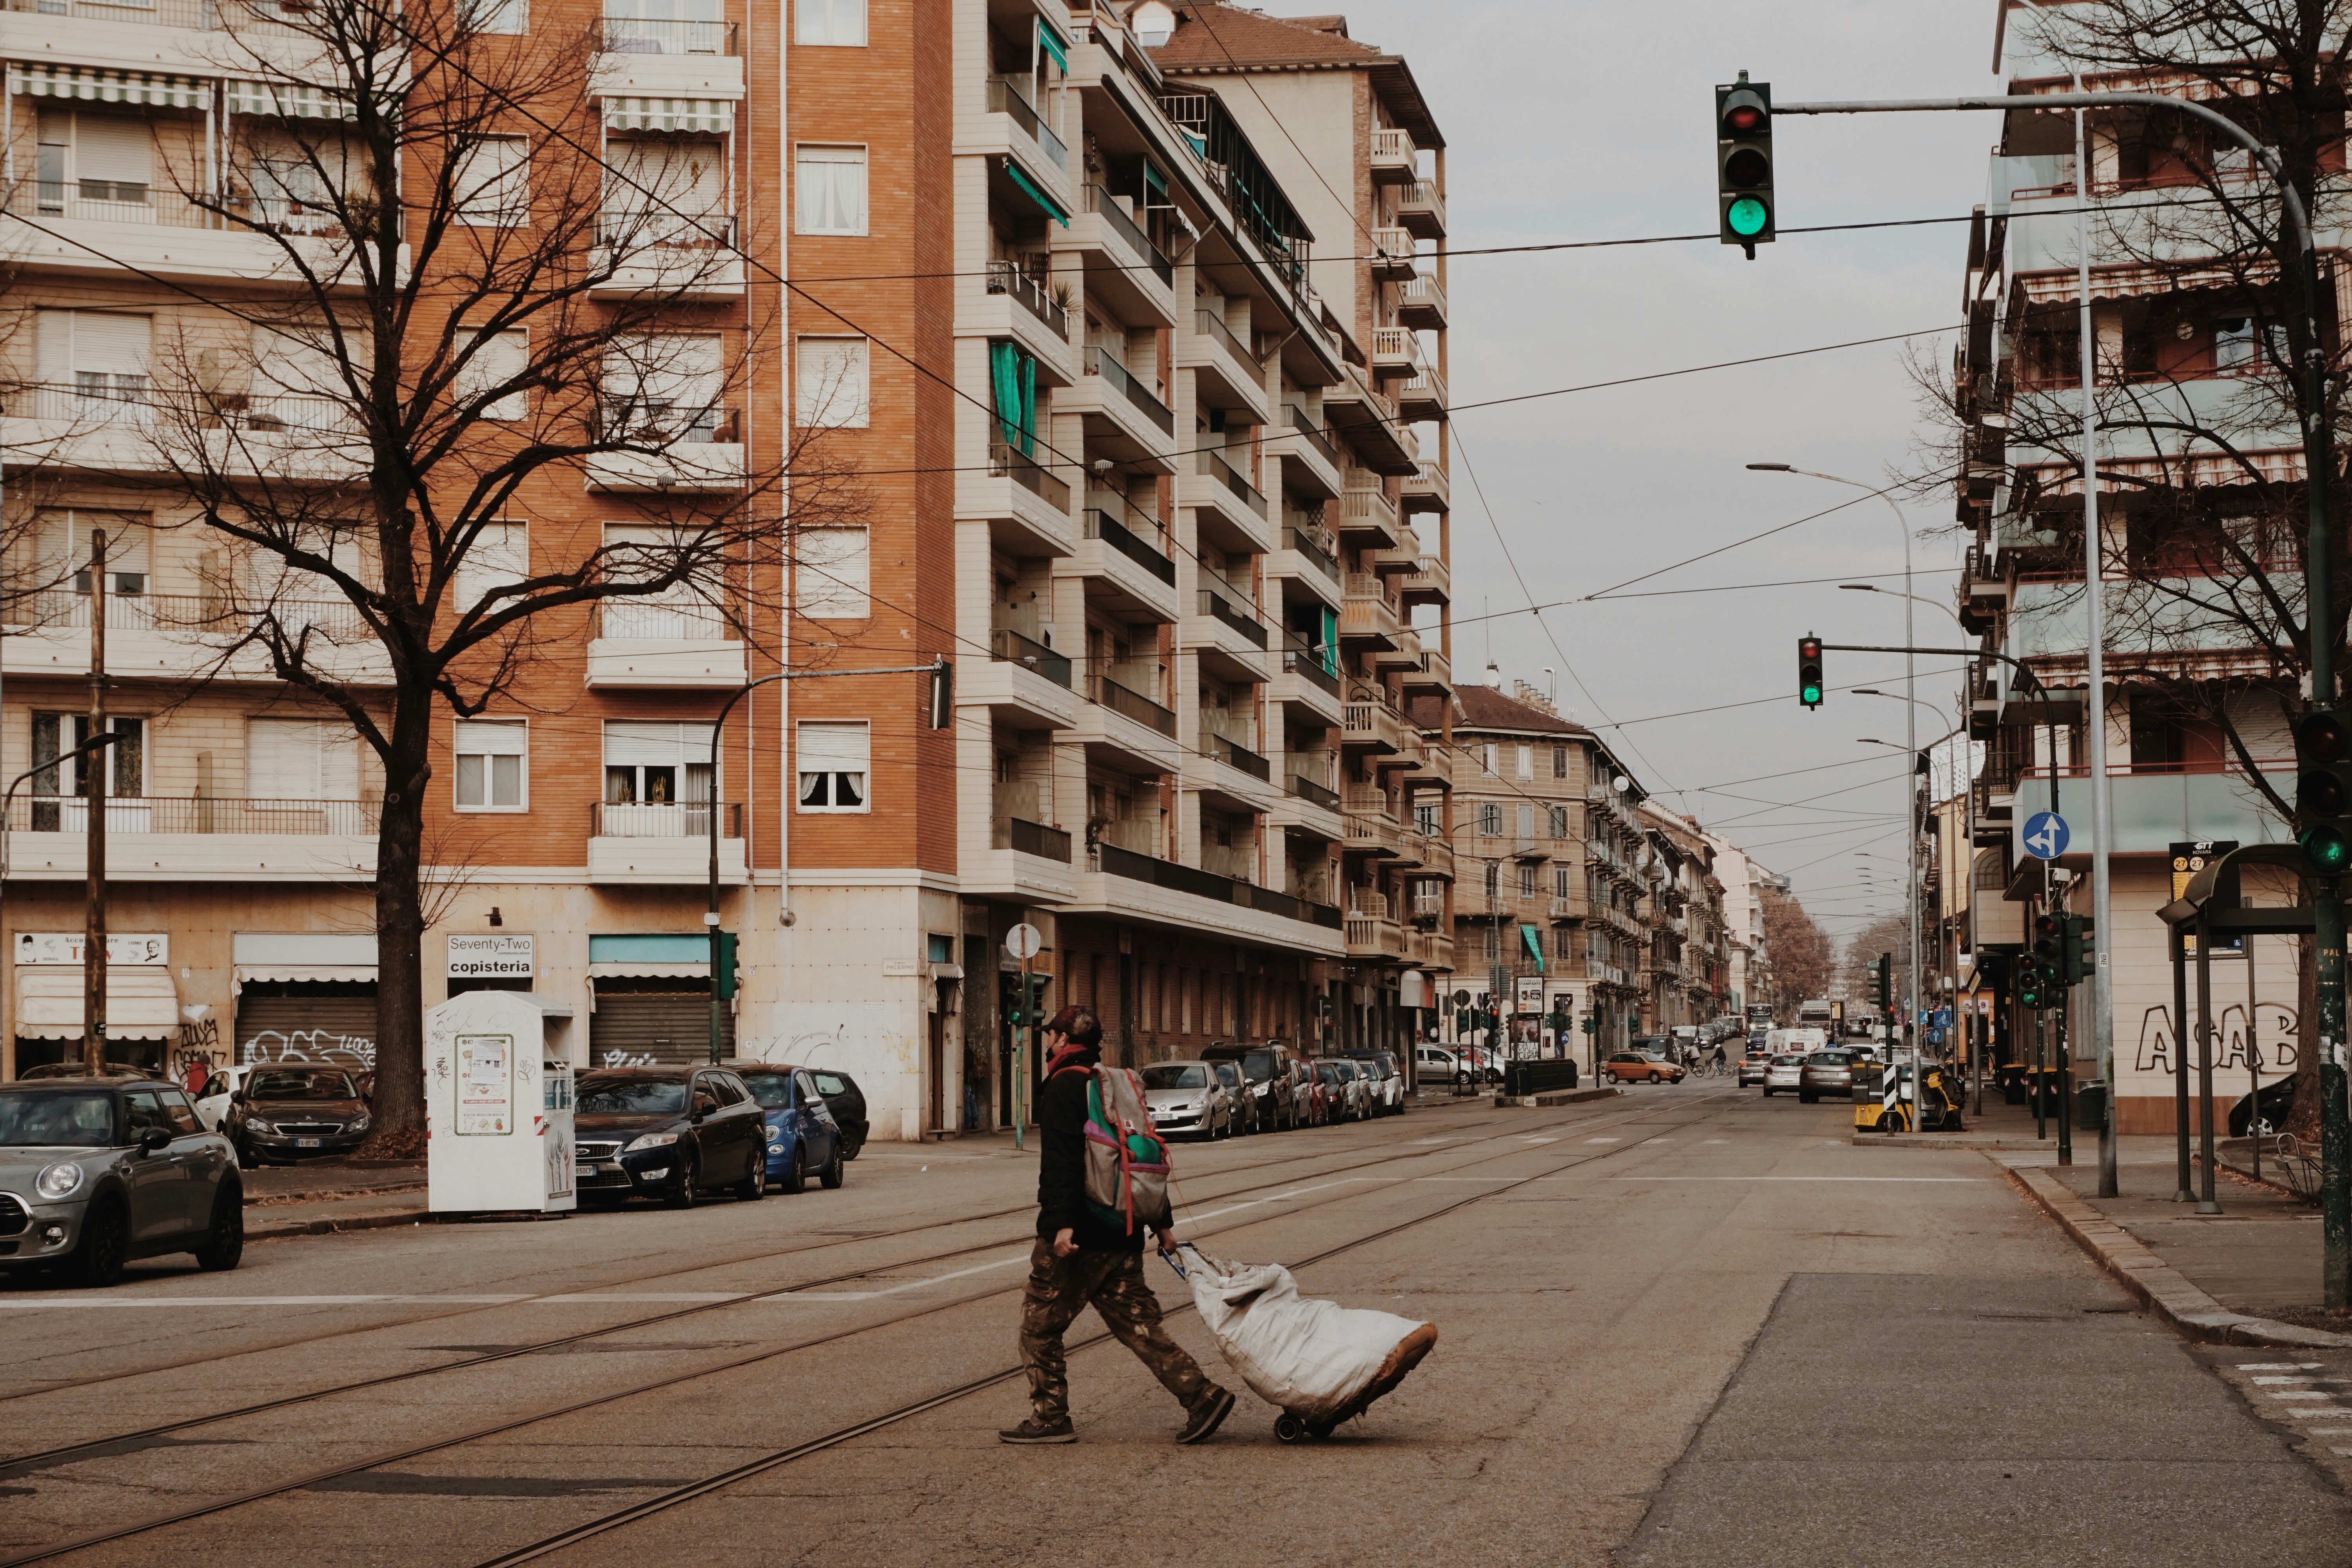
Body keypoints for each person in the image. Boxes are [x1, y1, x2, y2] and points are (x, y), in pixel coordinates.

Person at [1001, 1004, 1236, 1446]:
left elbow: (1061, 1165)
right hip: (1124, 1228)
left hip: (1082, 1235)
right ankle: (1202, 1396)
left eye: (1050, 1033)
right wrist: (1162, 1225)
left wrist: (1061, 1227)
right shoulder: (1113, 1084)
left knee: (1039, 1327)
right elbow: (1139, 1157)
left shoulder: (1063, 1088)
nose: (1047, 1040)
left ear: (1063, 1040)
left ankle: (1051, 1418)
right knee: (1139, 1326)